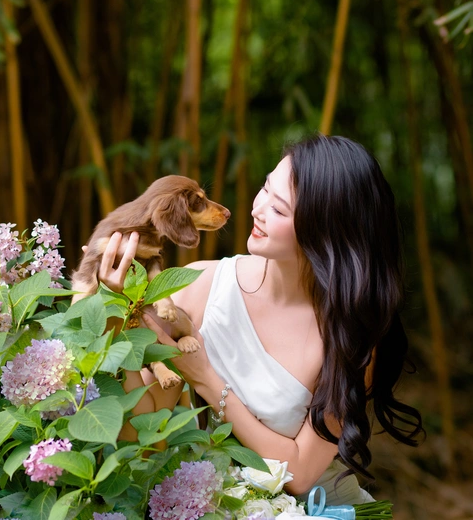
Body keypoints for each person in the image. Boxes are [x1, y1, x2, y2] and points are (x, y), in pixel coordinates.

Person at [97, 134, 424, 505]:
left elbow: (300, 474)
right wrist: (115, 317)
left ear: (324, 231)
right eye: (266, 188)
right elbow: (140, 433)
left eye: (279, 210)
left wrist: (204, 377)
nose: (258, 210)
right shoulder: (198, 285)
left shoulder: (349, 336)